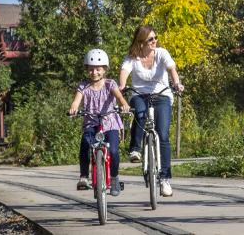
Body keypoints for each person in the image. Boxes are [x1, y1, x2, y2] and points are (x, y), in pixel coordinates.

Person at [118, 25, 184, 197]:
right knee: (140, 114)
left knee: (162, 135)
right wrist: (122, 86)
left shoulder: (161, 53)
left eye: (155, 38)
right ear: (141, 43)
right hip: (140, 95)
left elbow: (171, 69)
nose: (155, 41)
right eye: (150, 39)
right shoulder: (132, 58)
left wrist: (176, 83)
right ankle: (135, 149)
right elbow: (124, 71)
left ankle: (165, 179)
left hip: (162, 95)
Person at [68, 48, 130, 195]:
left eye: (98, 69)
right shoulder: (84, 86)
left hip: (110, 124)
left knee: (114, 151)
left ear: (104, 70)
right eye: (91, 69)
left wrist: (124, 104)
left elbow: (119, 97)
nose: (94, 72)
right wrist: (74, 107)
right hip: (91, 124)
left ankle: (114, 178)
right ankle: (84, 176)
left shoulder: (110, 84)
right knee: (85, 144)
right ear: (86, 70)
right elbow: (77, 100)